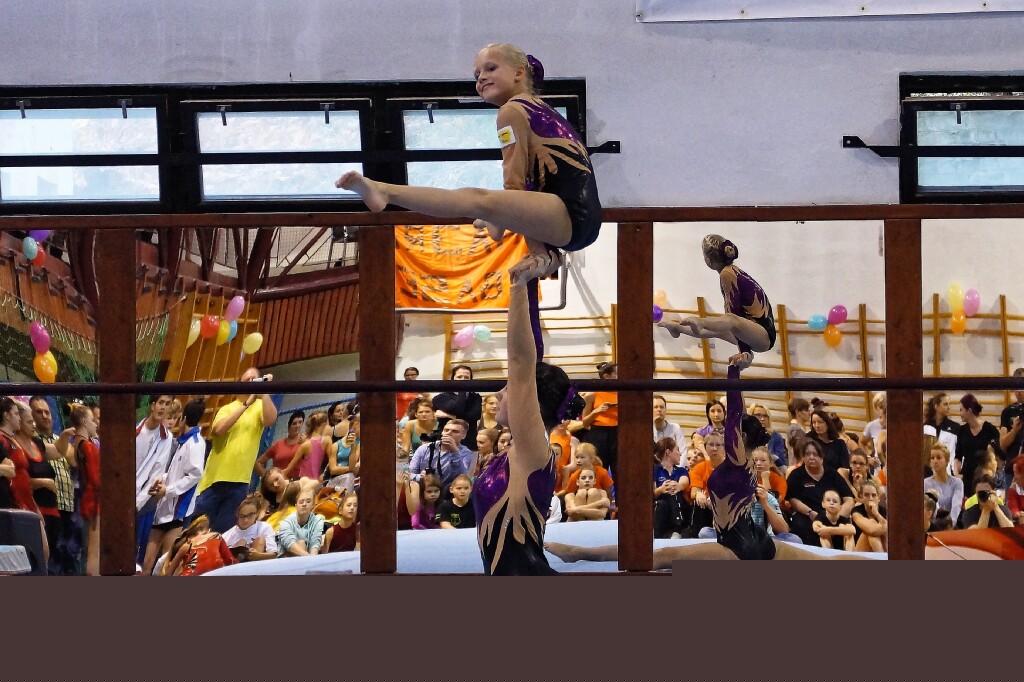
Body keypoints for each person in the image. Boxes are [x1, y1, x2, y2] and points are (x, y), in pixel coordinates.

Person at [337, 43, 602, 356]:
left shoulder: (512, 110)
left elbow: (515, 182)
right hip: (576, 217)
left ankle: (385, 191)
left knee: (477, 200)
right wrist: (536, 247)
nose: (481, 78)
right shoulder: (541, 108)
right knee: (487, 205)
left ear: (520, 72)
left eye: (490, 68)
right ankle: (493, 222)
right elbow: (531, 188)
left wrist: (509, 224)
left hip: (569, 214)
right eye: (477, 74)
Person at [473, 255, 586, 574]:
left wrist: (519, 285)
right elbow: (528, 363)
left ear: (529, 401)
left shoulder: (533, 452)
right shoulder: (516, 454)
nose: (498, 394)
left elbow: (522, 363)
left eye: (507, 387)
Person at [658, 234, 775, 369]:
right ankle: (677, 328)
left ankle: (701, 322)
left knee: (728, 320)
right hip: (754, 330)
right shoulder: (731, 271)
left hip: (763, 335)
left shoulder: (727, 274)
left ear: (708, 260)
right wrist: (745, 352)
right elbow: (739, 319)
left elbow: (734, 315)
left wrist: (744, 350)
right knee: (717, 329)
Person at [193, 368, 278, 532]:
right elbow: (218, 430)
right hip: (214, 481)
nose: (251, 384)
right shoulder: (227, 408)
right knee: (196, 529)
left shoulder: (260, 407)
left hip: (240, 482)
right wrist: (246, 404)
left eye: (255, 380)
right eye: (248, 381)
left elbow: (270, 420)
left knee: (223, 533)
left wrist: (265, 392)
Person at [141, 397, 207, 576]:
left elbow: (194, 475)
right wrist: (161, 480)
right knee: (147, 562)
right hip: (162, 509)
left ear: (183, 418)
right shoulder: (183, 441)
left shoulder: (196, 444)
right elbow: (174, 472)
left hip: (177, 512)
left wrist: (168, 490)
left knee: (167, 564)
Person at [30, 396, 79, 574]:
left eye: (47, 412)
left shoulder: (60, 440)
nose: (45, 416)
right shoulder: (31, 442)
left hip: (68, 506)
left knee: (69, 560)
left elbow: (74, 461)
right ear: (30, 416)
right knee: (49, 561)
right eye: (39, 412)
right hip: (45, 506)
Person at [785, 438, 856, 547]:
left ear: (822, 457)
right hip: (808, 515)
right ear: (803, 457)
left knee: (847, 528)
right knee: (799, 523)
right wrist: (809, 512)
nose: (811, 457)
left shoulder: (833, 475)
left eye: (815, 454)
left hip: (833, 514)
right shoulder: (796, 475)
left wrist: (837, 516)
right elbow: (793, 499)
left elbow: (849, 500)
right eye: (807, 454)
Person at [134, 393, 174, 562]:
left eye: (167, 404)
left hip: (142, 504)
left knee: (135, 549)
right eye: (161, 402)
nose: (163, 407)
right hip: (120, 495)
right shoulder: (134, 430)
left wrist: (136, 504)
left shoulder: (167, 438)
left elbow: (156, 474)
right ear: (152, 405)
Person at [408, 418, 474, 493]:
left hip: (448, 493)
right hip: (424, 491)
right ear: (442, 432)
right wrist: (421, 477)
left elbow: (461, 477)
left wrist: (454, 451)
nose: (449, 433)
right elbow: (410, 474)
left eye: (455, 431)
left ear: (463, 436)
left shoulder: (465, 452)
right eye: (446, 430)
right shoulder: (424, 448)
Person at [432, 364, 483, 455]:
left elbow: (475, 415)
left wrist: (448, 415)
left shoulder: (475, 397)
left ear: (471, 380)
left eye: (466, 377)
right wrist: (462, 391)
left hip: (469, 445)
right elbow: (457, 408)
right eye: (459, 377)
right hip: (445, 444)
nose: (463, 380)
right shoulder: (441, 398)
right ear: (453, 379)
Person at [578, 362, 619, 472]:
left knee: (619, 470)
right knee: (599, 469)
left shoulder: (623, 393)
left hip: (618, 433)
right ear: (607, 377)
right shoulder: (592, 395)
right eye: (617, 374)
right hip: (599, 434)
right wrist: (596, 412)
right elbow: (585, 423)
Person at [164, 515, 236, 576]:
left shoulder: (186, 546)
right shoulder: (216, 536)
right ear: (208, 530)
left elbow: (169, 572)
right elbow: (231, 561)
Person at [955, 393, 1000, 487]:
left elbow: (998, 457)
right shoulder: (962, 431)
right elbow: (958, 457)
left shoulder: (991, 430)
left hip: (984, 480)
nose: (959, 414)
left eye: (961, 410)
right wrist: (957, 475)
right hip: (966, 479)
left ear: (969, 411)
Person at [221, 493, 278, 562]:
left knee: (260, 540)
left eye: (250, 515)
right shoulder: (229, 534)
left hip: (256, 563)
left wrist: (259, 555)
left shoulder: (264, 527)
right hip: (233, 564)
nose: (246, 520)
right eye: (242, 516)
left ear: (257, 514)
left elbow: (274, 554)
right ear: (237, 515)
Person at [652, 437, 689, 539]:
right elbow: (651, 493)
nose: (680, 454)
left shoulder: (681, 470)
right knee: (662, 503)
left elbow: (684, 481)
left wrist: (677, 486)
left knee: (675, 493)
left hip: (679, 504)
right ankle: (677, 527)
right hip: (661, 507)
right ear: (668, 452)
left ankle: (677, 527)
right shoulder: (655, 470)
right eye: (677, 450)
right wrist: (662, 489)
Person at [254, 410, 306, 479]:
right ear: (289, 426)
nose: (297, 425)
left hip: (297, 482)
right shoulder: (278, 445)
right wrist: (269, 479)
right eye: (294, 423)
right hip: (279, 482)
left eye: (300, 422)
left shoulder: (305, 443)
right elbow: (258, 463)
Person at [277, 483, 325, 556]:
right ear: (296, 505)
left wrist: (313, 559)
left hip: (307, 557)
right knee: (301, 543)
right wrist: (308, 557)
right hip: (286, 557)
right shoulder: (286, 523)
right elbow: (290, 544)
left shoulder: (318, 521)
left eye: (308, 501)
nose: (304, 504)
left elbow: (315, 544)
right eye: (301, 502)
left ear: (313, 504)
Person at [923, 444, 964, 526]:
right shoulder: (925, 483)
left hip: (950, 525)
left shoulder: (957, 483)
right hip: (931, 526)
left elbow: (956, 506)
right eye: (932, 458)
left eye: (939, 458)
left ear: (947, 461)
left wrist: (950, 524)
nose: (935, 461)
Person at [997, 372, 1024, 483]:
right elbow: (1002, 444)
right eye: (1017, 387)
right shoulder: (1008, 412)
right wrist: (1014, 430)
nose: (1020, 391)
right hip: (1012, 470)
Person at [924, 392, 959, 471]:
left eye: (949, 404)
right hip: (928, 471)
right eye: (945, 404)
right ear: (936, 406)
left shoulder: (955, 428)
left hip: (947, 472)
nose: (949, 407)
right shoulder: (925, 427)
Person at [850, 480, 887, 553]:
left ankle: (881, 556)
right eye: (867, 495)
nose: (871, 498)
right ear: (861, 497)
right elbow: (871, 530)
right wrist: (883, 528)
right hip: (861, 551)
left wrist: (877, 514)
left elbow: (889, 530)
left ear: (878, 498)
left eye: (874, 495)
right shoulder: (856, 511)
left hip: (883, 547)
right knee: (872, 523)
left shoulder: (884, 511)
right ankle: (881, 557)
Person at [749, 403, 787, 470]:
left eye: (765, 416)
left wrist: (768, 455)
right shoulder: (746, 436)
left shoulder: (776, 436)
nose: (762, 419)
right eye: (758, 415)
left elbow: (782, 461)